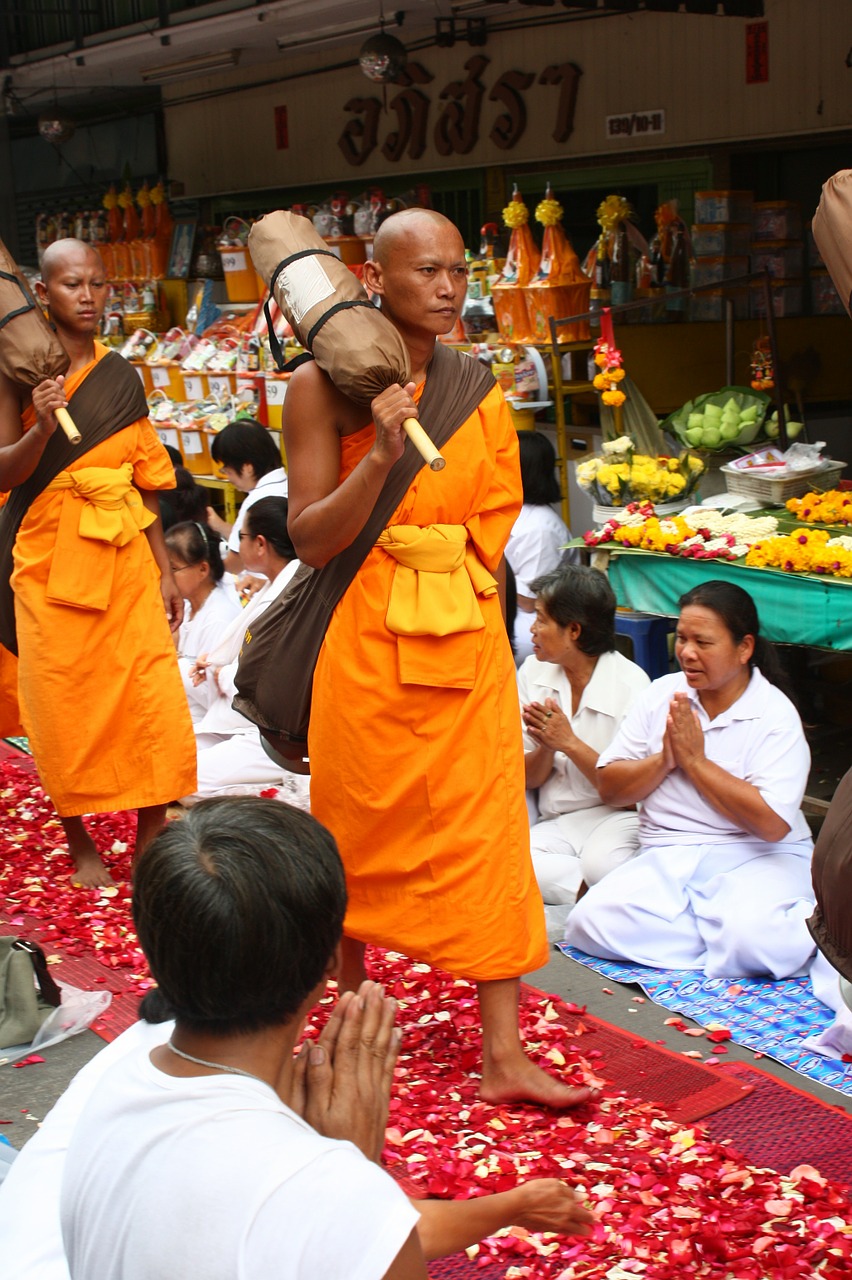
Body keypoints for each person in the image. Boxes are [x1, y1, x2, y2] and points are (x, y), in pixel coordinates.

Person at [281, 207, 592, 1109]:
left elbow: (489, 527)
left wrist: (478, 622)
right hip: (368, 643)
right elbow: (308, 539)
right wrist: (378, 454)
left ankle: (504, 1055)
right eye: (427, 271)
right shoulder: (318, 388)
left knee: (491, 836)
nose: (450, 288)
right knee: (357, 832)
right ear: (375, 279)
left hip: (462, 644)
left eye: (460, 269)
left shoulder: (476, 386)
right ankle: (347, 1030)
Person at [19, 797, 592, 1280]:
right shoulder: (320, 1188)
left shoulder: (120, 1070)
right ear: (326, 967)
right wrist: (355, 1174)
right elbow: (303, 1210)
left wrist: (496, 1206)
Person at [0, 238, 196, 886]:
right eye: (72, 285)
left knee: (149, 694)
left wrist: (166, 571)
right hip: (48, 556)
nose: (88, 297)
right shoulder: (16, 370)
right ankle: (80, 839)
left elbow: (145, 481)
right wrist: (42, 425)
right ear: (42, 292)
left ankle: (149, 835)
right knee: (60, 703)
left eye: (99, 284)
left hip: (122, 553)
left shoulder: (121, 375)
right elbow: (6, 466)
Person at [565, 580, 816, 979]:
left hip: (757, 857)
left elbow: (771, 825)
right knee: (590, 922)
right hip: (670, 852)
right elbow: (610, 787)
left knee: (758, 939)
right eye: (681, 638)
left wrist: (696, 762)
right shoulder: (662, 694)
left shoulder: (773, 714)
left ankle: (740, 935)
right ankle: (725, 941)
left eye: (703, 642)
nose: (686, 652)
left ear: (744, 648)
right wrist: (666, 759)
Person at [519, 566, 649, 935]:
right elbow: (527, 776)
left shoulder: (632, 687)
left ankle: (600, 893)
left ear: (573, 630)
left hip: (615, 817)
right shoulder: (533, 672)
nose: (532, 629)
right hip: (556, 820)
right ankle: (600, 900)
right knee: (510, 860)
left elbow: (630, 796)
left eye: (541, 620)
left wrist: (569, 743)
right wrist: (546, 745)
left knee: (603, 865)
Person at [184, 497, 309, 806]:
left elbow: (269, 676)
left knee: (185, 782)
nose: (238, 546)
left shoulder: (292, 589)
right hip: (238, 708)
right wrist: (213, 664)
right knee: (167, 758)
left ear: (261, 544)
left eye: (241, 537)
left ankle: (279, 797)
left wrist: (216, 670)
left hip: (275, 729)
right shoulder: (275, 583)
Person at [506, 431, 575, 664]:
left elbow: (527, 601)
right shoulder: (513, 510)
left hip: (535, 620)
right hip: (509, 607)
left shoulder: (540, 528)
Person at [165, 520, 241, 724]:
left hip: (204, 727)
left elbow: (216, 697)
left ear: (202, 569)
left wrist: (174, 657)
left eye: (173, 568)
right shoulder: (187, 606)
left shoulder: (219, 617)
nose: (166, 577)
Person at [207, 418, 287, 578]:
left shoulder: (256, 501)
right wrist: (220, 526)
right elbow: (245, 540)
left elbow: (236, 563)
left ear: (247, 468)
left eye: (227, 471)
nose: (228, 478)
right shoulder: (288, 484)